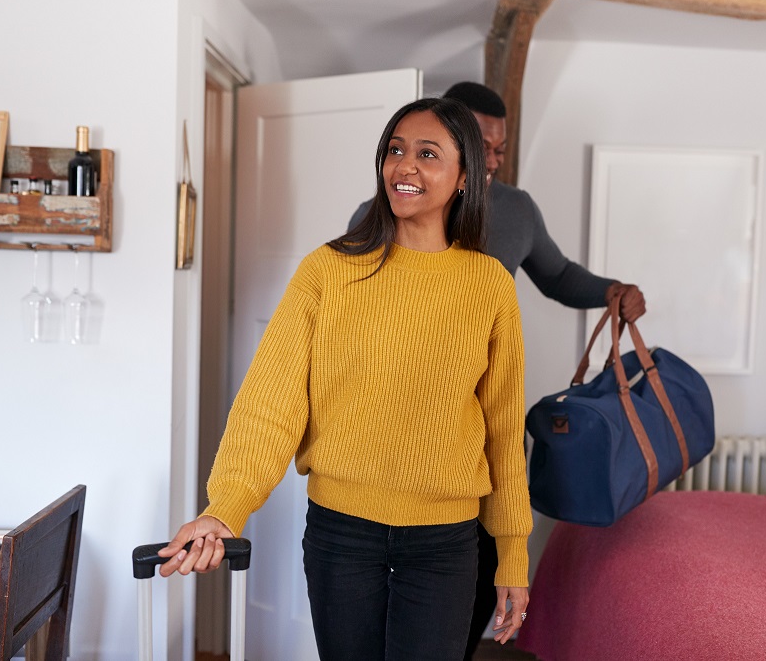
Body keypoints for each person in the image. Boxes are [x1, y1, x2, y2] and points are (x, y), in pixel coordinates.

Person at [157, 97, 532, 661]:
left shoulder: (489, 285)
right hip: (342, 536)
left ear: (464, 177)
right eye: (395, 150)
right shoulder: (326, 271)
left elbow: (503, 432)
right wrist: (224, 507)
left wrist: (514, 555)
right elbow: (270, 402)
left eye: (427, 154)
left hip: (445, 543)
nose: (404, 166)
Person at [349, 82, 646, 660]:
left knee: (473, 577)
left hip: (480, 421)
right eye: (479, 143)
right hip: (389, 434)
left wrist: (613, 290)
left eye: (500, 149)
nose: (491, 158)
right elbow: (347, 298)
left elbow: (558, 276)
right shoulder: (390, 207)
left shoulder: (516, 210)